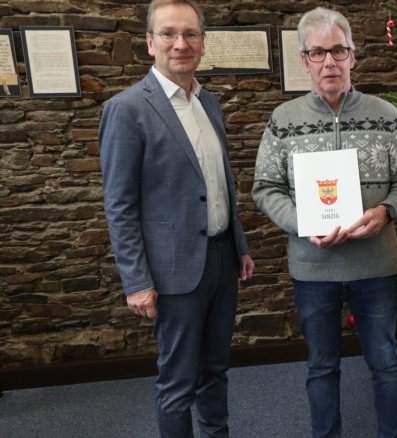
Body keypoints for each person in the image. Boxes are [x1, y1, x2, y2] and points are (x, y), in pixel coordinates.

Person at [251, 7, 397, 438]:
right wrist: (302, 221)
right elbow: (265, 187)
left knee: (385, 361)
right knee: (321, 367)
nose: (330, 62)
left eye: (339, 51)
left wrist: (386, 212)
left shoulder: (386, 115)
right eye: (319, 52)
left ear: (352, 56)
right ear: (304, 60)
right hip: (314, 267)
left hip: (375, 263)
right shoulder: (283, 121)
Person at [99, 1, 255, 436]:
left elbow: (220, 181)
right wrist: (136, 280)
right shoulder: (127, 110)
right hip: (173, 272)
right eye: (168, 34)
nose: (180, 44)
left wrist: (239, 245)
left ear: (203, 43)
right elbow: (120, 204)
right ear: (150, 42)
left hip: (222, 260)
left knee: (216, 371)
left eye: (190, 34)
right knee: (178, 383)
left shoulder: (209, 103)